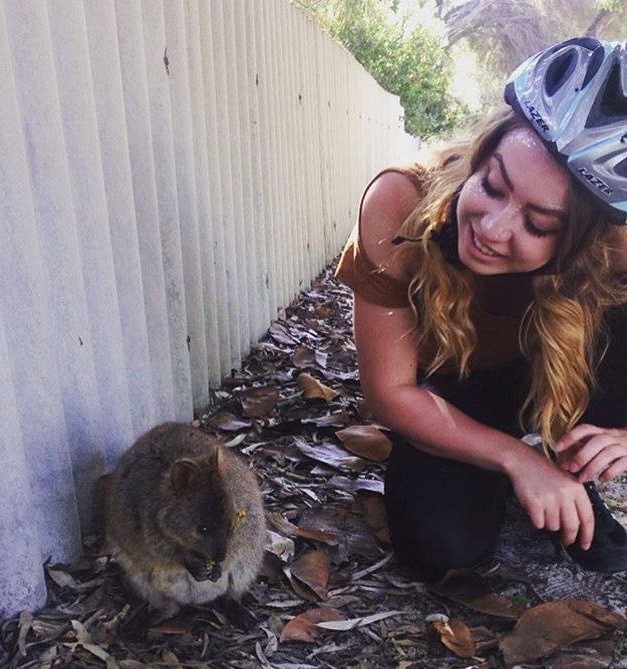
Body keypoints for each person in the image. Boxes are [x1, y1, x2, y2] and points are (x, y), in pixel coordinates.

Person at [335, 37, 627, 581]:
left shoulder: (615, 244)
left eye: (538, 225)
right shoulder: (399, 202)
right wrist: (516, 460)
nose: (491, 229)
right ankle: (510, 466)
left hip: (560, 371)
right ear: (483, 153)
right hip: (453, 384)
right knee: (440, 550)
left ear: (586, 243)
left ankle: (573, 472)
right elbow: (389, 392)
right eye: (492, 185)